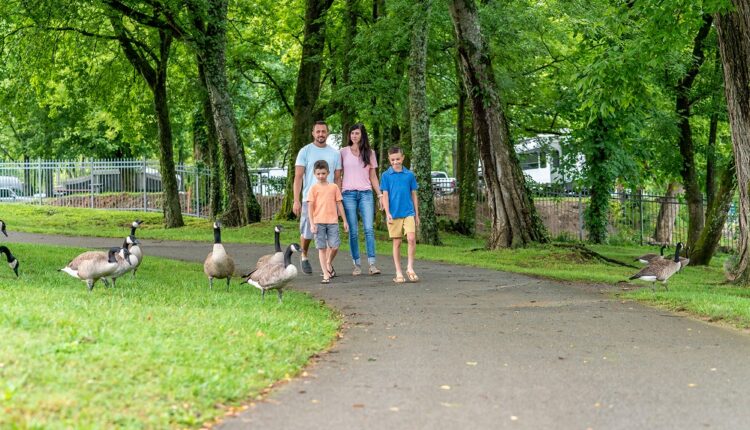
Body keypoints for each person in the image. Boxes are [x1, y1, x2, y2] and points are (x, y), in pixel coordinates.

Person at [293, 121, 342, 275]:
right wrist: (296, 200)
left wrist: (338, 200)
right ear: (313, 133)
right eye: (318, 131)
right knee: (308, 232)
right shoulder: (305, 151)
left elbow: (338, 178)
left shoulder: (335, 153)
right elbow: (298, 177)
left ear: (327, 133)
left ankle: (327, 265)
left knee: (330, 235)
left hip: (329, 201)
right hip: (311, 200)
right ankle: (304, 255)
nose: (321, 134)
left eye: (323, 131)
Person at [337, 123, 382, 276]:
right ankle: (356, 264)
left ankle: (372, 264)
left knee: (369, 229)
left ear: (362, 135)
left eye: (357, 133)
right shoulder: (343, 152)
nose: (354, 136)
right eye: (352, 133)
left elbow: (373, 176)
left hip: (366, 194)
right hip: (348, 194)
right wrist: (337, 197)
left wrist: (380, 195)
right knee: (353, 231)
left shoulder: (370, 153)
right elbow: (338, 176)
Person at [380, 146, 420, 284]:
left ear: (403, 158)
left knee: (411, 238)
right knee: (397, 242)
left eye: (398, 159)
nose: (395, 162)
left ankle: (410, 267)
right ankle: (398, 272)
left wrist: (417, 214)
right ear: (389, 160)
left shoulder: (409, 175)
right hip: (394, 214)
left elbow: (414, 195)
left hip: (408, 212)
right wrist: (388, 213)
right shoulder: (386, 176)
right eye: (393, 159)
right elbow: (385, 195)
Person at [308, 160, 349, 284]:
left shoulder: (334, 187)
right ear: (314, 174)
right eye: (319, 173)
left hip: (333, 222)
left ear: (328, 173)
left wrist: (345, 221)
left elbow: (339, 204)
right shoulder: (313, 188)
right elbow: (310, 206)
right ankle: (325, 273)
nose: (321, 176)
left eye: (323, 173)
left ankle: (328, 262)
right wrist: (311, 223)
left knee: (335, 246)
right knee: (322, 248)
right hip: (318, 221)